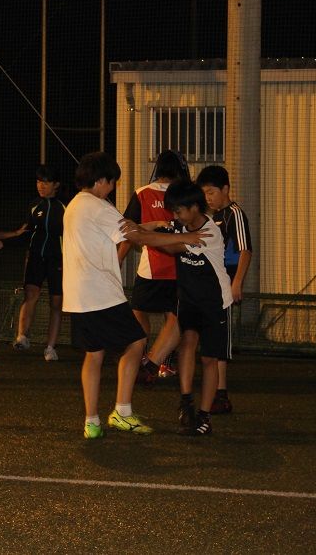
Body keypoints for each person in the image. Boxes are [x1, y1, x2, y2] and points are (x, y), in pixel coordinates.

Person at [63, 152, 209, 439]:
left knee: (94, 354)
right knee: (136, 341)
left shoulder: (75, 205)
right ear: (101, 180)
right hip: (102, 293)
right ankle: (122, 411)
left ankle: (91, 421)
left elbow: (126, 229)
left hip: (78, 294)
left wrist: (152, 225)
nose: (112, 188)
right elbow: (136, 237)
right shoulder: (99, 206)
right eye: (112, 182)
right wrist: (183, 238)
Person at [162, 181, 233, 435]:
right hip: (189, 299)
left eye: (179, 210)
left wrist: (139, 234)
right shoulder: (180, 226)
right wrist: (141, 228)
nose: (175, 216)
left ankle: (204, 417)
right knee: (187, 343)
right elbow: (162, 233)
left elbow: (169, 245)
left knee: (209, 359)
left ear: (194, 207)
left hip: (215, 303)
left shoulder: (209, 232)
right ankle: (186, 403)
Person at [118, 150, 191, 384]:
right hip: (180, 266)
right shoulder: (184, 193)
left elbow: (129, 230)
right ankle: (164, 361)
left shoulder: (142, 193)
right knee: (174, 316)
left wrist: (118, 258)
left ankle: (144, 355)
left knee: (138, 310)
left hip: (151, 268)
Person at [196, 165, 253, 415]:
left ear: (226, 189)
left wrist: (237, 282)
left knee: (220, 338)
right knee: (212, 335)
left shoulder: (234, 214)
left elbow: (245, 250)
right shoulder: (213, 216)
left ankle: (222, 394)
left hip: (227, 280)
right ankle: (217, 392)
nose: (207, 198)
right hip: (214, 281)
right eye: (204, 193)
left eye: (211, 192)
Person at [6, 164, 66, 362]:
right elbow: (25, 231)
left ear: (56, 184)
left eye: (46, 182)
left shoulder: (66, 206)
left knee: (56, 303)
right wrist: (5, 240)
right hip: (35, 257)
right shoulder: (34, 205)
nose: (41, 186)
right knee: (30, 294)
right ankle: (22, 337)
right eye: (39, 181)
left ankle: (50, 347)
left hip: (58, 259)